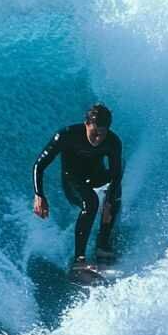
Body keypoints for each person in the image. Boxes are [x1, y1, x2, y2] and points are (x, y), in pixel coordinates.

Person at [32, 102, 123, 270]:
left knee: (115, 194)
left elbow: (116, 173)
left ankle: (102, 244)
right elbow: (39, 164)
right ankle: (79, 261)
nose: (98, 139)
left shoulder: (112, 141)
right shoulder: (66, 135)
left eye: (102, 134)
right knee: (91, 203)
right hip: (73, 181)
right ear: (86, 124)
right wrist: (39, 194)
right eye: (94, 132)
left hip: (96, 176)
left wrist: (110, 201)